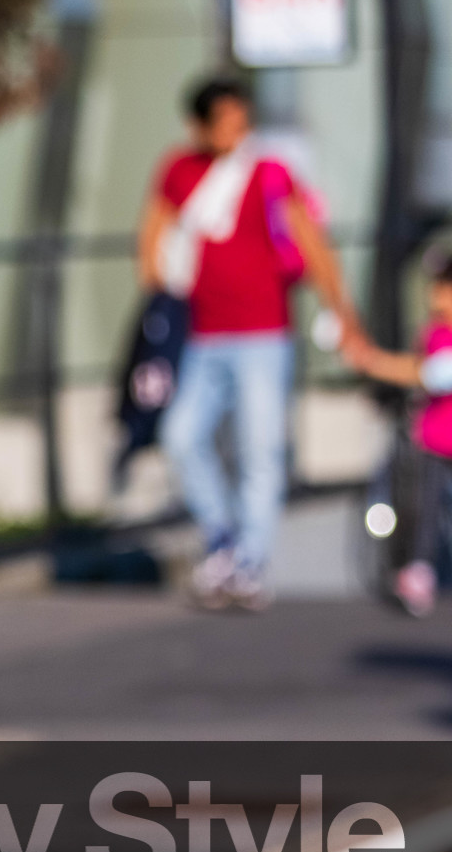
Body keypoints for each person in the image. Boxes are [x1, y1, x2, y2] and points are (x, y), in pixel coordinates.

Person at [137, 72, 360, 610]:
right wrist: (159, 309)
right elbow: (151, 240)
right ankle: (223, 539)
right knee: (181, 435)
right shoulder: (179, 170)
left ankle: (251, 563)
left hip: (264, 334)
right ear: (199, 125)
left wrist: (344, 314)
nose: (236, 132)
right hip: (202, 334)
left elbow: (312, 243)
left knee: (260, 450)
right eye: (224, 122)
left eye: (242, 121)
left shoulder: (270, 172)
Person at [342, 246, 452, 616]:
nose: (433, 296)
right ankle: (417, 572)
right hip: (435, 442)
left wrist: (372, 361)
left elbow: (428, 373)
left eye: (441, 287)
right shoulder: (434, 333)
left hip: (438, 439)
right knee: (422, 509)